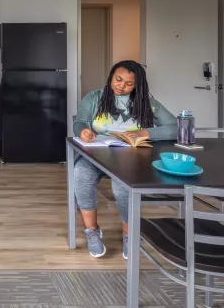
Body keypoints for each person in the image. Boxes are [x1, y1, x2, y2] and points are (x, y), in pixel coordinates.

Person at [73, 60, 176, 259]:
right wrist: (83, 131)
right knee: (80, 174)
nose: (121, 86)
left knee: (123, 185)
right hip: (96, 154)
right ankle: (92, 231)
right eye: (118, 79)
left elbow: (174, 127)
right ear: (111, 76)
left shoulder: (147, 102)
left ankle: (129, 234)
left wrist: (145, 132)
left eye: (129, 84)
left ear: (137, 85)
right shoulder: (94, 98)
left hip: (130, 157)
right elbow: (80, 122)